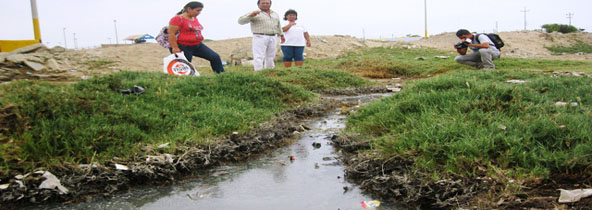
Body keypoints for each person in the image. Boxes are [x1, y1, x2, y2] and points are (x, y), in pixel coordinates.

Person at [168, 1, 224, 74]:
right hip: (183, 46)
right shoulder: (177, 19)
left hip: (197, 45)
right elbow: (171, 34)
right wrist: (175, 48)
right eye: (197, 10)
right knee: (185, 66)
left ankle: (221, 76)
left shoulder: (194, 18)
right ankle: (184, 83)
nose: (199, 13)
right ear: (189, 9)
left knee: (215, 57)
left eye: (200, 11)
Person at [238, 0, 285, 71]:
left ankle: (269, 71)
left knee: (270, 56)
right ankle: (258, 72)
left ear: (270, 4)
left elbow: (278, 25)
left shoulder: (274, 13)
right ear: (258, 4)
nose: (265, 4)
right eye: (263, 3)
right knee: (259, 56)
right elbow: (240, 21)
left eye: (267, 3)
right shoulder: (255, 13)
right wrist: (251, 15)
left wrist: (282, 35)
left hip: (273, 36)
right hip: (260, 36)